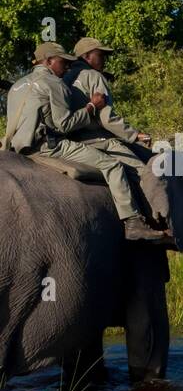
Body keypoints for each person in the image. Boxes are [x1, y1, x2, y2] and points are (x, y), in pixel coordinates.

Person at [3, 42, 168, 243]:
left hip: (14, 148)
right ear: (48, 61)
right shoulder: (54, 83)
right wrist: (91, 106)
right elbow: (65, 125)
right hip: (47, 146)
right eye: (62, 62)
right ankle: (133, 222)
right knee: (113, 165)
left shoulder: (17, 86)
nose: (65, 67)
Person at [63, 37, 153, 155]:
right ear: (87, 56)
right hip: (96, 139)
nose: (104, 60)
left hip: (70, 140)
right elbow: (107, 119)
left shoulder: (64, 77)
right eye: (100, 55)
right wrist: (135, 134)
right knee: (142, 170)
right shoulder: (94, 76)